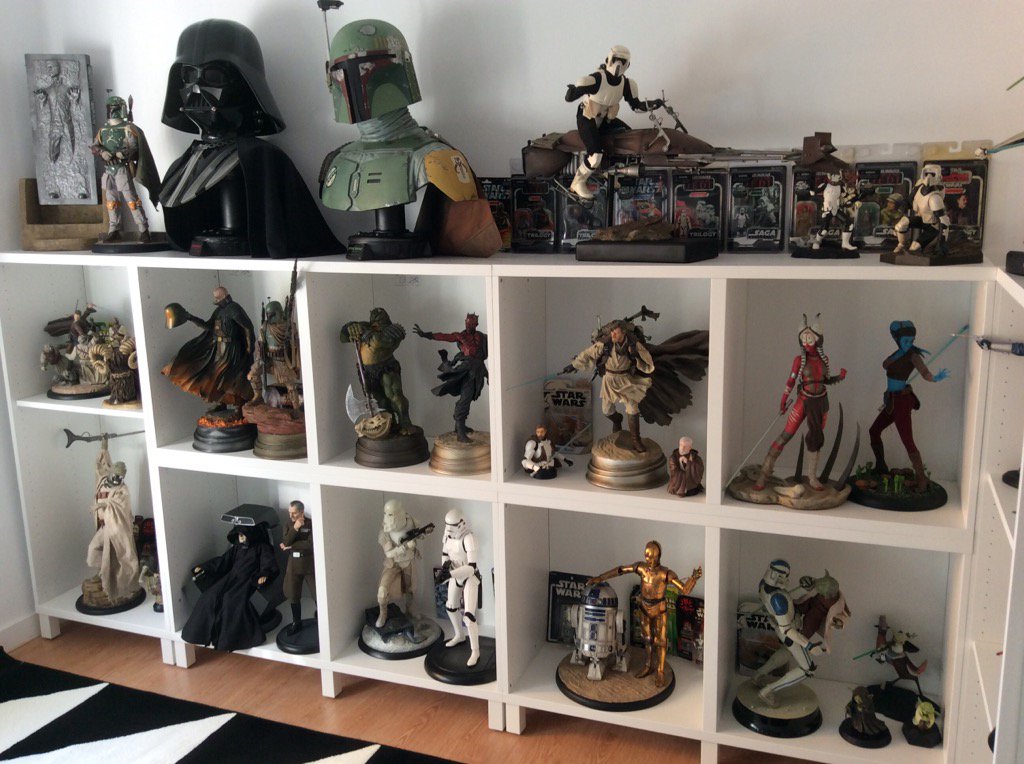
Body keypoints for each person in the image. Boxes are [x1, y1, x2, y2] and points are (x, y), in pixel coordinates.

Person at [587, 541, 701, 688]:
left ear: (659, 556)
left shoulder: (665, 573)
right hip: (644, 607)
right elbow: (622, 570)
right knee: (647, 639)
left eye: (652, 556)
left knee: (661, 641)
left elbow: (684, 590)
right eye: (647, 556)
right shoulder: (641, 568)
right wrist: (600, 578)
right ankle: (648, 665)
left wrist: (693, 579)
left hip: (659, 609)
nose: (649, 560)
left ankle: (660, 671)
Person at [753, 315, 847, 491]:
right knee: (786, 435)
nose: (806, 343)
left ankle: (812, 477)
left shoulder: (824, 359)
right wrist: (783, 399)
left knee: (816, 438)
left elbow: (825, 380)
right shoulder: (799, 360)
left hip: (821, 403)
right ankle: (763, 474)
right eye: (803, 340)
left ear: (818, 340)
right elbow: (791, 380)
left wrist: (839, 377)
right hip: (803, 402)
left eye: (809, 339)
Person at [564, 45, 663, 199]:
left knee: (627, 137)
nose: (618, 65)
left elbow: (636, 106)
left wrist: (653, 104)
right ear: (608, 60)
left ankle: (607, 172)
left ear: (628, 65)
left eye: (623, 62)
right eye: (616, 60)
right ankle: (578, 182)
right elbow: (571, 97)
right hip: (587, 117)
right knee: (595, 155)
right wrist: (572, 91)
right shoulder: (597, 79)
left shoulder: (626, 84)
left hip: (606, 119)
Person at [868, 321, 949, 491]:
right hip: (891, 401)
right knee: (874, 431)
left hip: (902, 402)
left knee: (907, 441)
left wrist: (934, 378)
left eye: (911, 341)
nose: (909, 344)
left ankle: (921, 478)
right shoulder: (898, 353)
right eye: (905, 341)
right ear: (897, 340)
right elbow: (885, 364)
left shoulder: (913, 356)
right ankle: (881, 465)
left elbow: (924, 372)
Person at [182, 521, 279, 652]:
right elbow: (223, 561)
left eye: (243, 535)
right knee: (210, 596)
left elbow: (268, 563)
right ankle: (204, 633)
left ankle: (228, 640)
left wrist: (264, 574)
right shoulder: (237, 548)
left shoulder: (262, 548)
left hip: (247, 580)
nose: (241, 538)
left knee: (231, 601)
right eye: (239, 535)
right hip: (230, 578)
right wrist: (205, 567)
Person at [563, 320, 655, 451]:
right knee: (606, 410)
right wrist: (573, 365)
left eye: (615, 332)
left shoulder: (633, 344)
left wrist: (636, 356)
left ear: (623, 332)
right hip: (609, 380)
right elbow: (587, 354)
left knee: (632, 408)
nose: (613, 334)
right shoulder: (605, 344)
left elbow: (647, 359)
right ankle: (617, 420)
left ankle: (636, 440)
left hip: (626, 379)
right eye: (611, 332)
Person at [162, 286, 255, 412]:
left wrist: (250, 347)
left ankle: (239, 406)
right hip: (219, 348)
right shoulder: (219, 311)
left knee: (229, 379)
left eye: (217, 297)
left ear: (224, 296)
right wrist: (190, 317)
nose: (215, 300)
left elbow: (247, 327)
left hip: (232, 350)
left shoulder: (234, 309)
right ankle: (222, 402)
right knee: (213, 378)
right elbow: (208, 326)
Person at [90, 95, 160, 244]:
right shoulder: (103, 130)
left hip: (122, 168)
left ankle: (143, 229)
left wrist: (124, 152)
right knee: (111, 202)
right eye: (111, 109)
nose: (113, 112)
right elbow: (95, 146)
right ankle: (113, 230)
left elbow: (133, 146)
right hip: (109, 170)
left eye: (115, 109)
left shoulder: (127, 128)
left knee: (132, 200)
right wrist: (102, 152)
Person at [84, 436, 140, 607]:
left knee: (121, 557)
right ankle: (103, 572)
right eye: (115, 475)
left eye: (120, 477)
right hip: (103, 527)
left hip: (115, 528)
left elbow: (119, 505)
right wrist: (104, 446)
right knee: (93, 549)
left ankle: (114, 581)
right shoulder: (102, 480)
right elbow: (102, 465)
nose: (117, 479)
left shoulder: (122, 490)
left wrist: (102, 504)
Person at [413, 313, 488, 441]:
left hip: (479, 369)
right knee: (465, 398)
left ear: (476, 324)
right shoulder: (460, 336)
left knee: (469, 397)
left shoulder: (482, 336)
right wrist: (426, 334)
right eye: (467, 323)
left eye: (471, 324)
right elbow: (444, 336)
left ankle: (459, 426)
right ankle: (460, 432)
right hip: (467, 369)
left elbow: (485, 353)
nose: (468, 325)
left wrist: (487, 374)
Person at [341, 308, 415, 437]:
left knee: (395, 396)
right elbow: (342, 337)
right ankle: (390, 424)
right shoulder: (365, 326)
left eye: (378, 320)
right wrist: (350, 327)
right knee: (380, 401)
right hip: (366, 371)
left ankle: (405, 423)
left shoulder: (393, 330)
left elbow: (379, 342)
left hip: (386, 367)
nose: (375, 322)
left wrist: (364, 332)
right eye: (374, 320)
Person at [375, 499, 426, 628]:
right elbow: (389, 553)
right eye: (387, 514)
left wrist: (420, 536)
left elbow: (418, 534)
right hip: (393, 564)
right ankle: (383, 613)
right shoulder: (385, 531)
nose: (388, 517)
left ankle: (410, 609)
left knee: (411, 589)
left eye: (391, 514)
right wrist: (405, 547)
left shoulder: (411, 521)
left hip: (408, 562)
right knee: (382, 591)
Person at [440, 509, 481, 667]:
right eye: (447, 525)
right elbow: (445, 553)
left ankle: (475, 651)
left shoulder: (469, 538)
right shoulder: (447, 535)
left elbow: (471, 567)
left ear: (462, 524)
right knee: (451, 607)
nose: (449, 529)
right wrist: (445, 568)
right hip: (455, 573)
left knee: (469, 617)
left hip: (469, 576)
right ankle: (459, 635)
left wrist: (450, 574)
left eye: (453, 526)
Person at [893, 165, 949, 255]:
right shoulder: (919, 186)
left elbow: (944, 221)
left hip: (933, 226)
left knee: (914, 248)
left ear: (938, 175)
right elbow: (909, 200)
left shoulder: (935, 198)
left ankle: (920, 247)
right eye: (927, 173)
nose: (928, 177)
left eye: (932, 174)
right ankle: (901, 245)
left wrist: (942, 241)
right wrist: (900, 214)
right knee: (901, 224)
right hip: (921, 219)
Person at [279, 500, 315, 635]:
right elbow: (285, 541)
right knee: (293, 593)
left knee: (317, 592)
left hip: (308, 563)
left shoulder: (311, 524)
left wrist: (292, 545)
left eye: (294, 513)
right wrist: (295, 528)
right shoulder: (288, 525)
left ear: (301, 512)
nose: (291, 516)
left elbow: (311, 544)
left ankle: (322, 617)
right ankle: (296, 622)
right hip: (293, 564)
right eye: (290, 513)